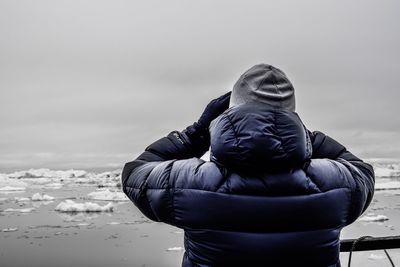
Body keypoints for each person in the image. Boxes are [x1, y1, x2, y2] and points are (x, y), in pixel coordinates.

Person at [121, 64, 375, 267]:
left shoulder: (190, 184)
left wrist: (198, 133)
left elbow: (135, 174)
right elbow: (362, 172)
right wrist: (303, 136)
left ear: (229, 113)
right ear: (291, 115)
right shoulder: (338, 186)